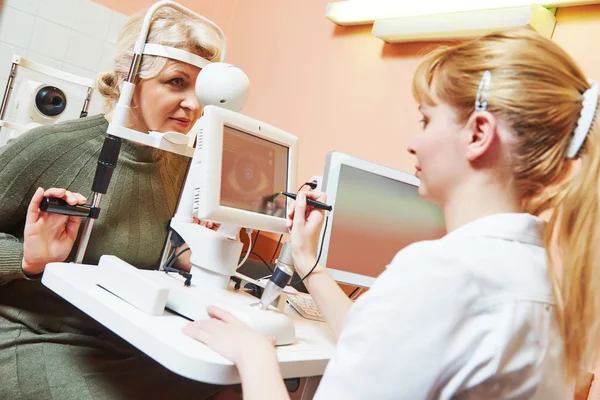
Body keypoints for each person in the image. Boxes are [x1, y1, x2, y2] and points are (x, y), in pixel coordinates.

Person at [183, 28, 600, 399]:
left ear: (477, 133)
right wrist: (310, 265)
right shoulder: (549, 278)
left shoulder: (441, 275)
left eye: (426, 119)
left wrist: (254, 355)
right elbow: (392, 349)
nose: (413, 143)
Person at [0, 6, 230, 400]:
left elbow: (147, 258)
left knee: (225, 384)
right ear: (129, 79)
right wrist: (28, 260)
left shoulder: (182, 168)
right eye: (176, 82)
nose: (193, 104)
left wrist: (185, 254)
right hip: (37, 336)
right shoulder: (51, 148)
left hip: (130, 337)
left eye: (202, 89)